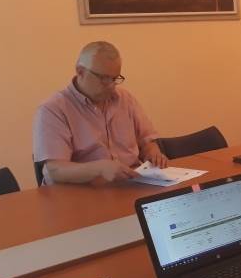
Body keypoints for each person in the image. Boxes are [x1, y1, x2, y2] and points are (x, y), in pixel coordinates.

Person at [33, 41, 167, 185]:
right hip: (81, 191)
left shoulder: (125, 99)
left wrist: (152, 152)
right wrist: (99, 169)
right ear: (80, 71)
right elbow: (55, 170)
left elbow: (146, 140)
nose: (111, 85)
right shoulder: (53, 110)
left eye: (114, 78)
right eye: (103, 78)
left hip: (130, 185)